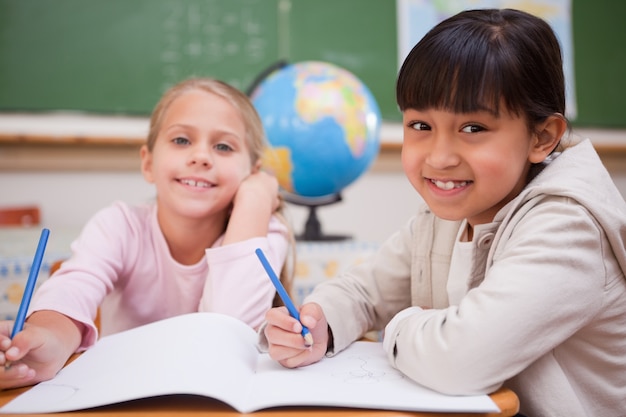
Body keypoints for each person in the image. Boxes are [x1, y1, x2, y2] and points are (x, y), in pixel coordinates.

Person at [261, 8, 626, 417]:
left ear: (541, 137)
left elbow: (462, 359)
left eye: (473, 129)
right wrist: (318, 322)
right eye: (420, 126)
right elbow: (365, 291)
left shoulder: (568, 227)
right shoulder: (448, 215)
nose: (440, 157)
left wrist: (397, 326)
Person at [0, 77, 294, 390]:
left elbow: (223, 332)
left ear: (252, 173)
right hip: (123, 396)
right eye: (181, 140)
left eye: (223, 146)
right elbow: (73, 288)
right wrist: (47, 339)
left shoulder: (262, 230)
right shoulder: (119, 226)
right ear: (148, 163)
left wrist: (254, 202)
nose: (201, 156)